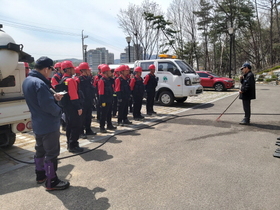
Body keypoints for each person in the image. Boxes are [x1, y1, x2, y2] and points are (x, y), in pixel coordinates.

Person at [22, 56, 70, 191]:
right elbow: (48, 106)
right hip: (49, 124)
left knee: (40, 151)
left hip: (37, 123)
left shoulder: (27, 81)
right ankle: (52, 181)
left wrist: (52, 97)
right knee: (51, 153)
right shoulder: (40, 83)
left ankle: (40, 175)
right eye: (51, 70)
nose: (51, 72)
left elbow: (38, 101)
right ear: (45, 69)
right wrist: (60, 111)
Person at [58, 60, 84, 153]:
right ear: (68, 69)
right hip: (73, 107)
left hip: (67, 106)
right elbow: (74, 95)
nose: (74, 69)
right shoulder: (70, 80)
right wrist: (78, 107)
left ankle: (70, 144)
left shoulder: (63, 80)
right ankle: (73, 145)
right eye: (72, 68)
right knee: (76, 126)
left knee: (69, 125)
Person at [78, 62, 96, 137]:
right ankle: (81, 132)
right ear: (84, 70)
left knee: (88, 116)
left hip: (89, 100)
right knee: (82, 117)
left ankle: (88, 129)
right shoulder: (79, 79)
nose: (89, 71)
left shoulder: (89, 78)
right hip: (83, 101)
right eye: (88, 70)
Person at [98, 64, 117, 133]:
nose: (110, 72)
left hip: (109, 99)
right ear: (105, 72)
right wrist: (102, 101)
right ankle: (102, 127)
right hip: (104, 100)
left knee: (109, 113)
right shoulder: (102, 80)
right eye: (109, 71)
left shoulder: (109, 79)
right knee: (103, 114)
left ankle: (109, 125)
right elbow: (101, 92)